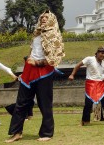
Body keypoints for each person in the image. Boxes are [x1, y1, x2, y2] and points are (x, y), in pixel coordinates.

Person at [5, 10, 65, 143]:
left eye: (46, 17)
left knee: (44, 103)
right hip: (29, 71)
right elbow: (33, 52)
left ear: (52, 19)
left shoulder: (55, 35)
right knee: (21, 103)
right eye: (42, 17)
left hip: (44, 72)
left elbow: (54, 59)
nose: (43, 19)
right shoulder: (36, 34)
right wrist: (27, 68)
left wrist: (37, 63)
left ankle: (47, 133)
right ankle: (16, 133)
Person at [68, 46, 104, 126]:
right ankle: (84, 121)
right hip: (91, 84)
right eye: (101, 53)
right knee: (88, 103)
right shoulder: (89, 59)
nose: (103, 55)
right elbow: (78, 65)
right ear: (97, 53)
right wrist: (72, 74)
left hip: (100, 85)